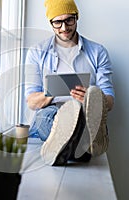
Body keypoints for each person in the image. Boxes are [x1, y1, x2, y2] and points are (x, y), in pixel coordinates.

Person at [24, 0, 115, 166]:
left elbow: (109, 102)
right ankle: (86, 144)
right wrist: (51, 92)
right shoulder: (36, 53)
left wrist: (92, 98)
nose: (64, 28)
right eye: (57, 22)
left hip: (86, 112)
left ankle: (69, 149)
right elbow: (31, 102)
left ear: (76, 17)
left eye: (69, 20)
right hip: (53, 113)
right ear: (50, 22)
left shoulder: (98, 52)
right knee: (45, 116)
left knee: (87, 109)